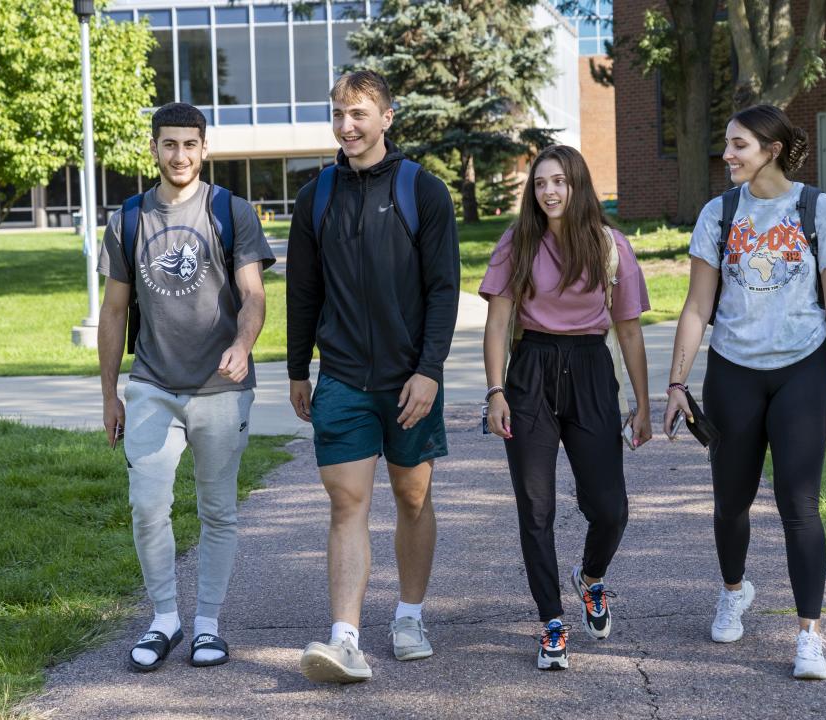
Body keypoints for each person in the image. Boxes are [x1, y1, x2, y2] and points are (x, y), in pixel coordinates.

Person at [662, 104, 826, 680]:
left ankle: (809, 637)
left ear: (770, 149)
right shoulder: (718, 214)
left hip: (802, 370)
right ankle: (733, 591)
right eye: (727, 144)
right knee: (731, 501)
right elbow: (697, 307)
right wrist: (677, 381)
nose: (727, 155)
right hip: (733, 372)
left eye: (739, 145)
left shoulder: (817, 209)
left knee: (800, 506)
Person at [286, 70, 459, 683]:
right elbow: (303, 292)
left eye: (358, 113)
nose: (345, 125)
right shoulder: (317, 197)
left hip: (410, 382)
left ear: (387, 117)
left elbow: (444, 290)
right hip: (342, 381)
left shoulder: (424, 191)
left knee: (413, 497)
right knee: (346, 503)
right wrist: (298, 368)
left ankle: (409, 615)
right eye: (337, 113)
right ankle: (345, 638)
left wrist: (429, 371)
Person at [96, 102, 275, 672]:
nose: (180, 155)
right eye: (169, 144)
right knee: (148, 507)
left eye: (190, 144)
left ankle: (206, 627)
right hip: (152, 385)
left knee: (217, 510)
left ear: (204, 149)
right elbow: (114, 311)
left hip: (220, 389)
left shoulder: (231, 211)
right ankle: (165, 619)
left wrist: (242, 347)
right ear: (153, 149)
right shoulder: (129, 217)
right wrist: (109, 394)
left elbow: (253, 295)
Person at [480, 144, 653, 671]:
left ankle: (592, 578)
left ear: (577, 186)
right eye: (540, 183)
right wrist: (494, 391)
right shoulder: (518, 242)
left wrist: (644, 404)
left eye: (559, 181)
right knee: (536, 508)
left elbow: (627, 330)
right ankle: (552, 621)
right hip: (531, 370)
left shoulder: (610, 246)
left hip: (591, 372)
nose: (549, 192)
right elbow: (497, 322)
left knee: (610, 508)